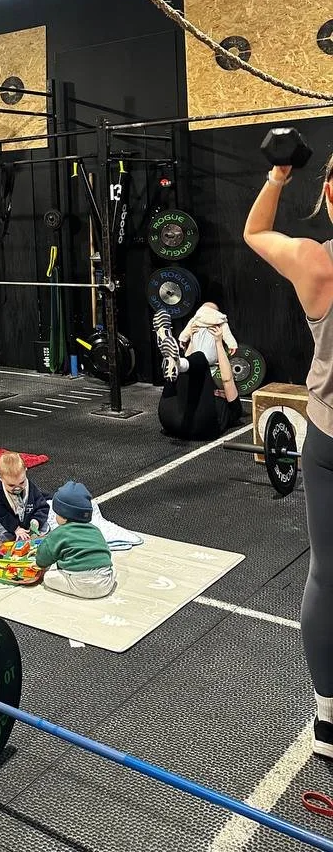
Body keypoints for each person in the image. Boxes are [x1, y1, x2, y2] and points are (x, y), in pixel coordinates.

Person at [243, 151, 333, 758]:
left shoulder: (314, 261)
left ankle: (329, 717)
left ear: (328, 196)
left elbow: (253, 232)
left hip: (327, 437)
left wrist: (277, 175)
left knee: (328, 576)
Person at [153, 306, 242, 440]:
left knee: (197, 360)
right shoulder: (227, 405)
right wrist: (196, 339)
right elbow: (227, 380)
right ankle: (178, 362)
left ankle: (178, 362)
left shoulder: (235, 408)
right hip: (181, 420)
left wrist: (218, 342)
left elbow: (227, 380)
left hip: (174, 420)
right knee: (184, 368)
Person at [34, 481, 115, 598]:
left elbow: (42, 558)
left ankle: (83, 591)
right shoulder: (95, 530)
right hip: (105, 583)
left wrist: (40, 562)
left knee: (48, 578)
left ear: (64, 516)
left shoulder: (59, 533)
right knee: (112, 569)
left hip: (80, 584)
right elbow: (105, 553)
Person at [178, 300, 239, 367]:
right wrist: (232, 345)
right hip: (211, 357)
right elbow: (228, 335)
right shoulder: (220, 321)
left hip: (195, 356)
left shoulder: (196, 319)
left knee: (192, 357)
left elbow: (186, 330)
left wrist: (182, 339)